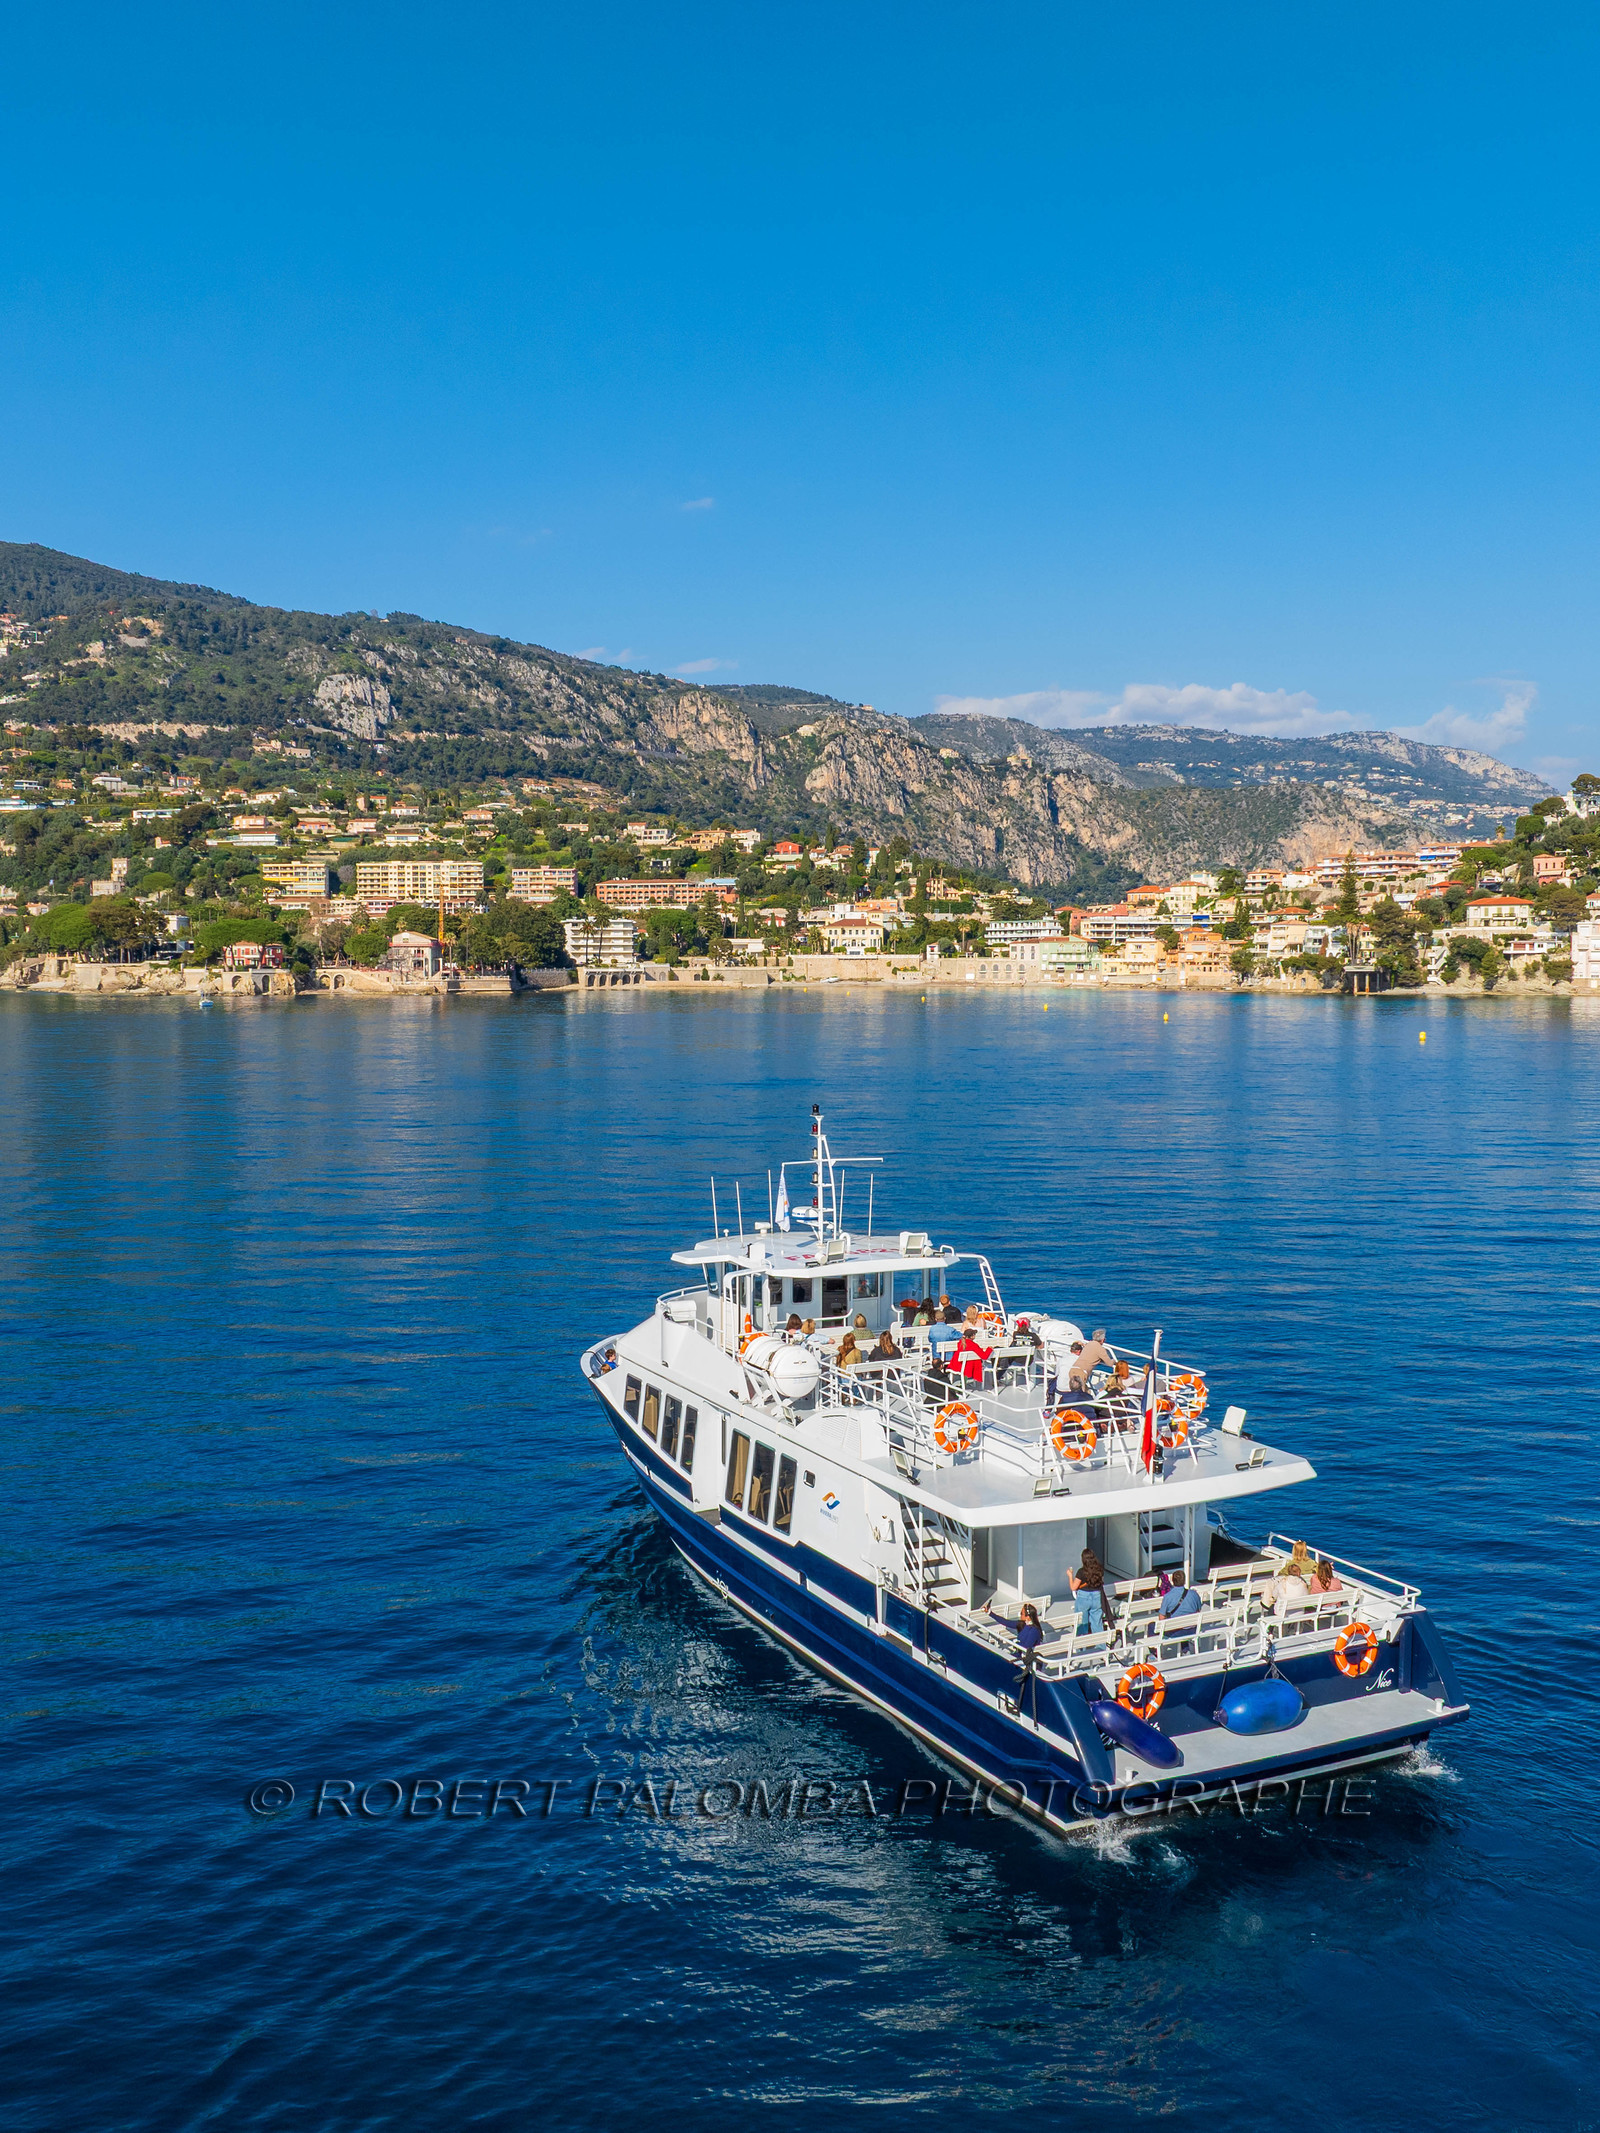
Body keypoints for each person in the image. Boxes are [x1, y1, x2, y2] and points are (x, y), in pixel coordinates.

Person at [1069, 1548, 1115, 1633]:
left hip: (1084, 1597)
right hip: (1097, 1596)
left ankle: (1082, 1645)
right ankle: (1100, 1645)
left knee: (1082, 1624)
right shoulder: (1099, 1569)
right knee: (1097, 1623)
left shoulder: (1081, 1571)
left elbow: (1073, 1587)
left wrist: (1070, 1575)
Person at [1067, 1328, 1114, 1393]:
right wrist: (1114, 1361)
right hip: (1081, 1373)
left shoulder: (1089, 1344)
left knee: (1084, 1392)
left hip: (1073, 1369)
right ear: (1103, 1340)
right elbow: (1110, 1363)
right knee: (1080, 1394)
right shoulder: (1101, 1349)